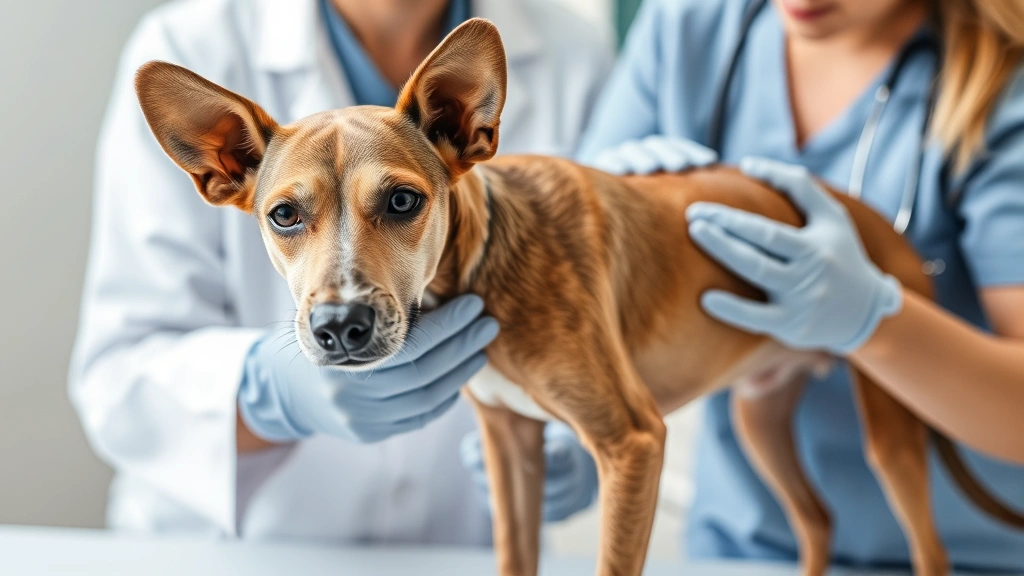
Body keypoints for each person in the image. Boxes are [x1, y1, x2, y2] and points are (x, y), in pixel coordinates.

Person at [69, 0, 610, 542]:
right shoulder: (193, 47)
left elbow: (596, 306)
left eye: (399, 203)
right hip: (236, 550)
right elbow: (117, 380)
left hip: (457, 546)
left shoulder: (574, 55)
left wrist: (586, 431)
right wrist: (268, 395)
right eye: (286, 214)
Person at [568, 0, 1024, 570]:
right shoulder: (689, 27)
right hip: (747, 552)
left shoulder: (1002, 81)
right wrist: (558, 426)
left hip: (975, 560)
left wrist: (876, 322)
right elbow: (571, 295)